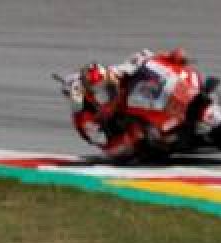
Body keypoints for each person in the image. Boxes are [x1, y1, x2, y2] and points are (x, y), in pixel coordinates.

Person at [62, 48, 190, 161]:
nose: (108, 90)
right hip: (123, 138)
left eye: (108, 84)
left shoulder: (113, 73)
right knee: (136, 139)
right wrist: (127, 137)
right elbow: (101, 141)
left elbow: (143, 56)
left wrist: (170, 56)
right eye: (102, 90)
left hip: (142, 101)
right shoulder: (84, 119)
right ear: (89, 96)